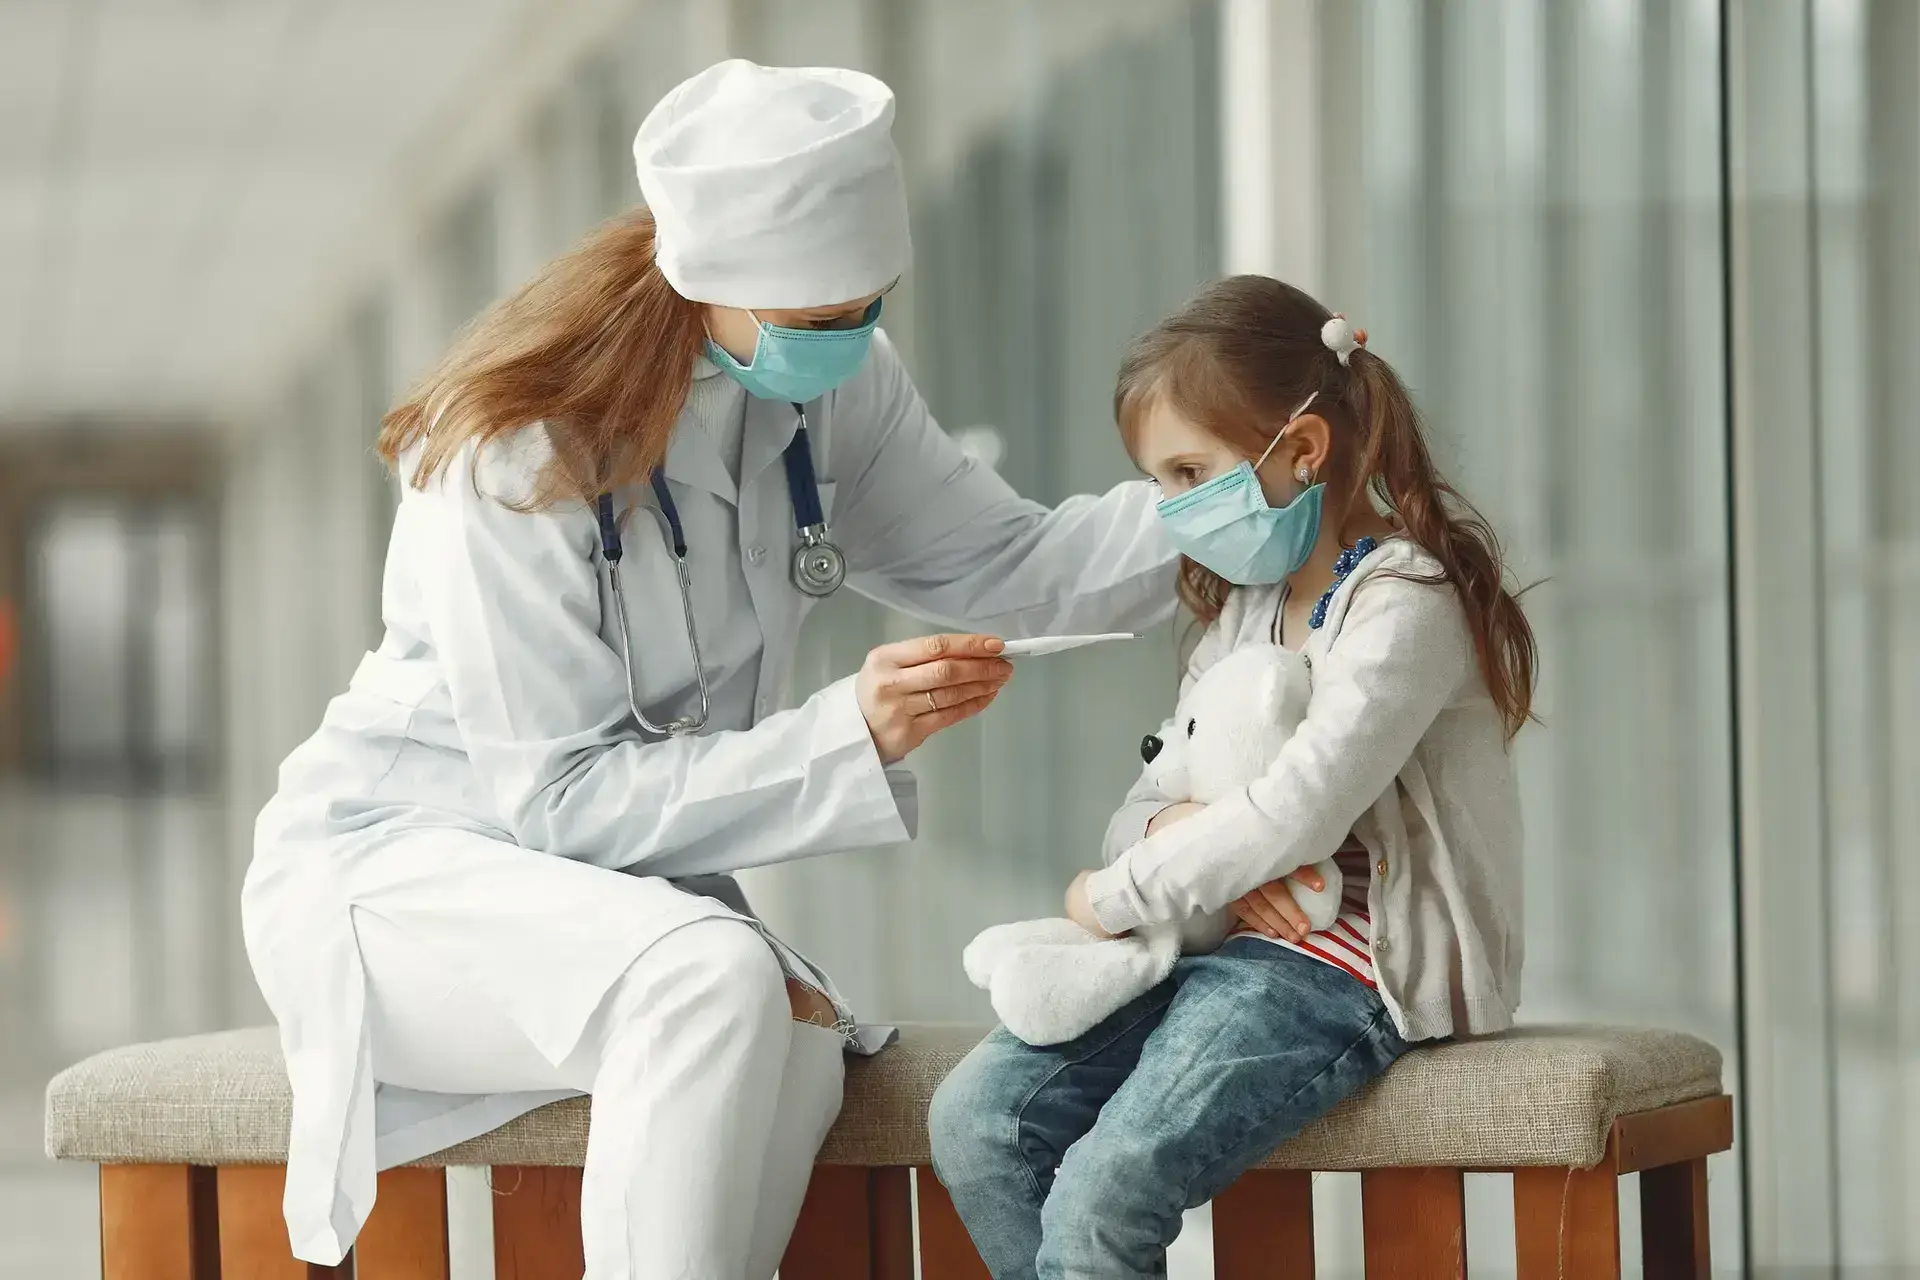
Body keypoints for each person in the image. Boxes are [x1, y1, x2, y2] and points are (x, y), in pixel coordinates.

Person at [242, 60, 1180, 1275]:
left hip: (598, 893)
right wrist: (851, 730)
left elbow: (1013, 559)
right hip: (396, 874)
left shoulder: (834, 389)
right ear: (710, 288)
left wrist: (1240, 503)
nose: (849, 344)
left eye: (868, 307)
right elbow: (561, 798)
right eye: (813, 323)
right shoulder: (514, 452)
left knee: (795, 1045)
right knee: (711, 981)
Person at [927, 275, 1536, 1278]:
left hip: (1345, 974)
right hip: (1209, 942)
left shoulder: (1404, 601)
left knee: (1105, 1190)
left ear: (1301, 449)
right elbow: (1146, 808)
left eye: (1186, 471)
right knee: (977, 1120)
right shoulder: (1240, 615)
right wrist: (1189, 849)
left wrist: (1112, 894)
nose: (1168, 507)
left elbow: (1298, 806)